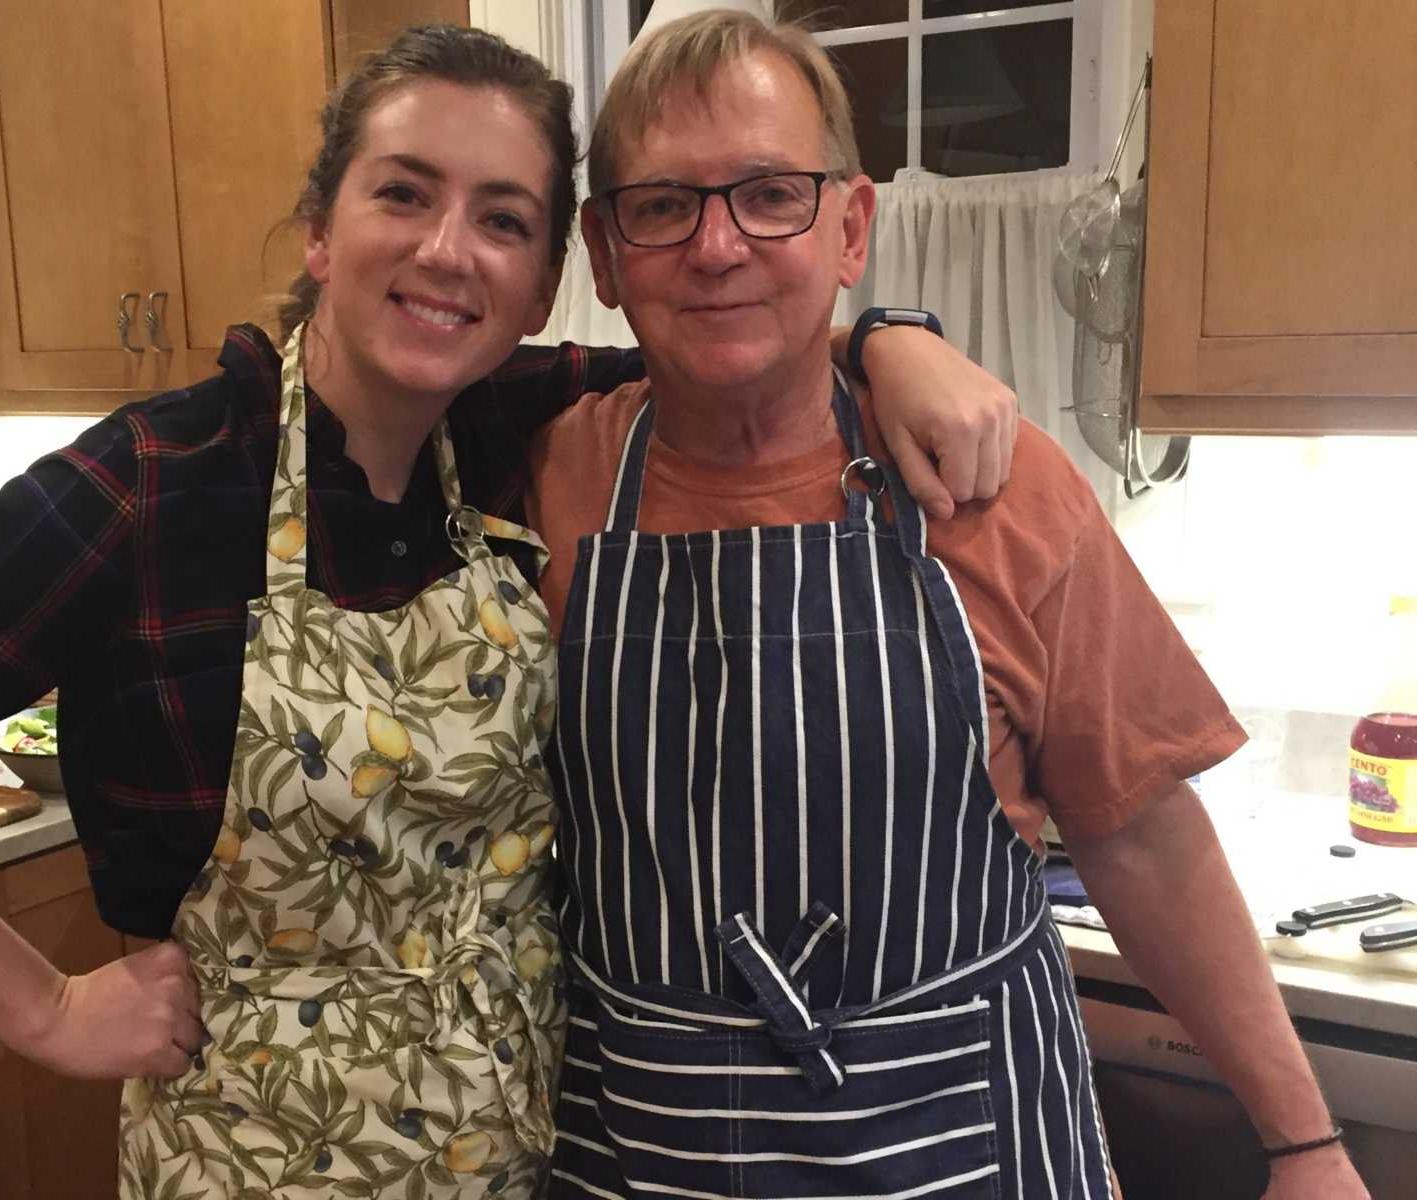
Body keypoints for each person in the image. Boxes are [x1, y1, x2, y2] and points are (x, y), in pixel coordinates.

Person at [0, 23, 1020, 1200]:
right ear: (320, 232)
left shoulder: (516, 434)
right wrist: (47, 1008)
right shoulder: (156, 484)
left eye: (503, 219)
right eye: (403, 193)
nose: (451, 251)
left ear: (547, 282)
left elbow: (740, 348)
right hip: (249, 1166)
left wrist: (888, 339)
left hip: (526, 1157)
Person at [525, 11, 1371, 1200]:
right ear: (603, 254)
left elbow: (1139, 832)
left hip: (966, 1140)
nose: (716, 247)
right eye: (662, 206)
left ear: (852, 226)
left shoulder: (995, 480)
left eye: (771, 194)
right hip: (650, 1150)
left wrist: (1303, 1142)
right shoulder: (536, 474)